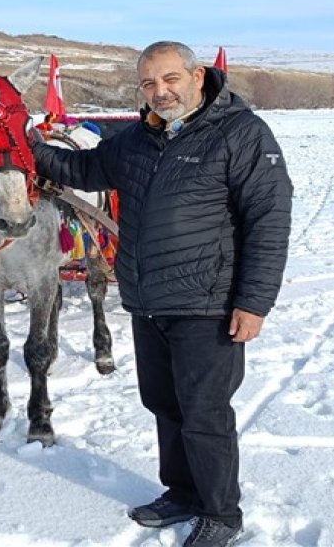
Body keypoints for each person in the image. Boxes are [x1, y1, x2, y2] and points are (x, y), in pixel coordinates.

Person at [31, 41, 292, 547]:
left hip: (208, 304)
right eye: (149, 83)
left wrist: (254, 301)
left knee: (205, 411)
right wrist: (25, 145)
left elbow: (268, 221)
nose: (160, 91)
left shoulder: (241, 134)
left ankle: (221, 512)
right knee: (164, 404)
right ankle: (182, 493)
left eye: (170, 78)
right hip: (149, 301)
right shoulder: (136, 140)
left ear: (197, 77)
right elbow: (82, 171)